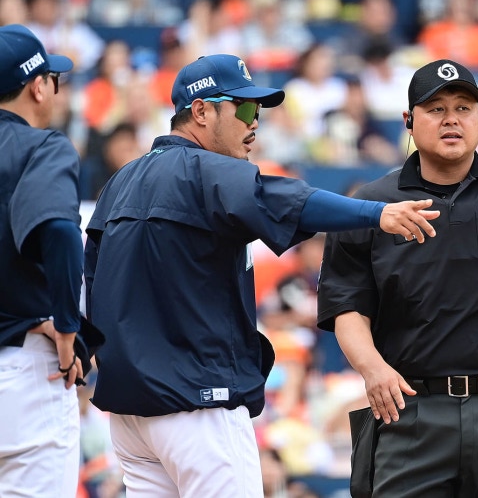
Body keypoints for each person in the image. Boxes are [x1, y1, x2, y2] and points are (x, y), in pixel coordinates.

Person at [83, 53, 440, 498]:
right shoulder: (207, 170)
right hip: (198, 404)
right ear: (201, 111)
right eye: (246, 108)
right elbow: (287, 200)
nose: (255, 122)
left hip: (131, 416)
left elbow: (91, 282)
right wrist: (376, 213)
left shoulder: (120, 182)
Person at [317, 58, 478, 497]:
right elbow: (347, 309)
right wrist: (373, 370)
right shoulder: (371, 206)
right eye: (436, 109)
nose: (451, 119)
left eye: (462, 108)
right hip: (410, 410)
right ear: (408, 120)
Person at [0, 23, 86, 497]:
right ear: (37, 86)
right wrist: (67, 329)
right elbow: (59, 231)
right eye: (54, 78)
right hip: (23, 373)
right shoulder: (41, 146)